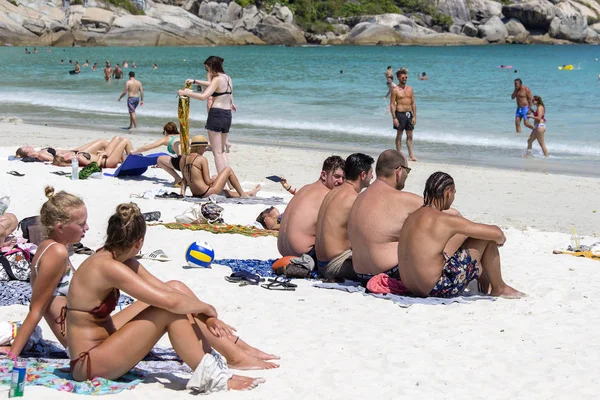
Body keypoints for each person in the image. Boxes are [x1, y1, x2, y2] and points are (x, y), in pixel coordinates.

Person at [64, 202, 275, 389]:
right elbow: (170, 303)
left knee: (176, 286)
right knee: (169, 311)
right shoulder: (108, 267)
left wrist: (208, 316)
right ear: (139, 242)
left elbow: (169, 291)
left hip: (105, 342)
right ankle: (215, 376)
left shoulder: (117, 258)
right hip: (88, 363)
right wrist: (207, 309)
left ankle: (236, 351)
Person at [398, 172, 525, 298]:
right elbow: (496, 233)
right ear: (448, 192)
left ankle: (486, 283)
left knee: (459, 242)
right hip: (437, 289)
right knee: (486, 239)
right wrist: (499, 240)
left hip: (412, 287)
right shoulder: (444, 219)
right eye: (454, 193)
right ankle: (500, 288)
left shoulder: (411, 217)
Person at [0, 187, 87, 357]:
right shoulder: (56, 253)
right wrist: (12, 357)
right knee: (153, 307)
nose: (87, 228)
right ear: (60, 227)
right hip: (84, 346)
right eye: (82, 224)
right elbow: (36, 309)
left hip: (87, 334)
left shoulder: (51, 246)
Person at [315, 153, 374, 280]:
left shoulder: (332, 193)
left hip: (320, 263)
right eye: (371, 173)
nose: (372, 177)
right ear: (363, 175)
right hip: (336, 266)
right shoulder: (354, 198)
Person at [277, 156, 345, 258]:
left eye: (343, 178)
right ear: (323, 175)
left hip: (283, 251)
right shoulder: (328, 195)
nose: (340, 181)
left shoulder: (305, 188)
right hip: (304, 254)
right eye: (337, 176)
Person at [179, 56, 236, 174]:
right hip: (227, 115)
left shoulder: (217, 79)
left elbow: (203, 96)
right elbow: (214, 86)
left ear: (212, 67)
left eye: (207, 69)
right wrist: (195, 81)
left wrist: (185, 93)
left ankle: (222, 182)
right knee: (222, 151)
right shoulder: (228, 78)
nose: (207, 71)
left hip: (216, 115)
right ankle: (228, 181)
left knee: (217, 153)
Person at [180, 135, 260, 198]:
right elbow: (208, 181)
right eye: (205, 147)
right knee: (228, 170)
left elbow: (184, 179)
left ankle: (250, 193)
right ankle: (242, 194)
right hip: (206, 192)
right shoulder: (202, 159)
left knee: (226, 193)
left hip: (196, 194)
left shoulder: (183, 158)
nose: (205, 150)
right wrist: (215, 179)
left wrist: (182, 194)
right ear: (200, 147)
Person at [390, 68, 418, 161]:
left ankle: (411, 155)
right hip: (400, 114)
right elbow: (392, 104)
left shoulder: (410, 89)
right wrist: (394, 118)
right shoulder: (395, 90)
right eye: (403, 77)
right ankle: (399, 155)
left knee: (410, 135)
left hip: (409, 114)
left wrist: (414, 116)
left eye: (406, 77)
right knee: (399, 135)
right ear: (398, 78)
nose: (405, 78)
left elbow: (413, 103)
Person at [53, 137, 133, 169]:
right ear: (65, 159)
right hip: (107, 162)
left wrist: (98, 154)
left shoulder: (76, 158)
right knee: (125, 141)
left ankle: (128, 159)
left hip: (105, 159)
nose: (65, 153)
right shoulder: (79, 158)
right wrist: (101, 156)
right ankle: (134, 160)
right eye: (63, 155)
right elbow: (95, 166)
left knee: (117, 138)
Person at [16, 139, 113, 162]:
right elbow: (55, 159)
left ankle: (117, 157)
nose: (28, 146)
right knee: (102, 142)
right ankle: (114, 157)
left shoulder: (41, 151)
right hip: (76, 153)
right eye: (26, 148)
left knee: (102, 145)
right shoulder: (40, 155)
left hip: (74, 150)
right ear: (28, 154)